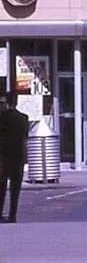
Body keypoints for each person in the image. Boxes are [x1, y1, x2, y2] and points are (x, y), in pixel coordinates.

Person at [0, 91, 30, 223]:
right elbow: (25, 136)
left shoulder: (2, 117)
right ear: (16, 102)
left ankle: (0, 213)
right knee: (15, 188)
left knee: (1, 187)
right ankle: (13, 215)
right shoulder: (23, 118)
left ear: (6, 102)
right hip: (18, 158)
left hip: (3, 158)